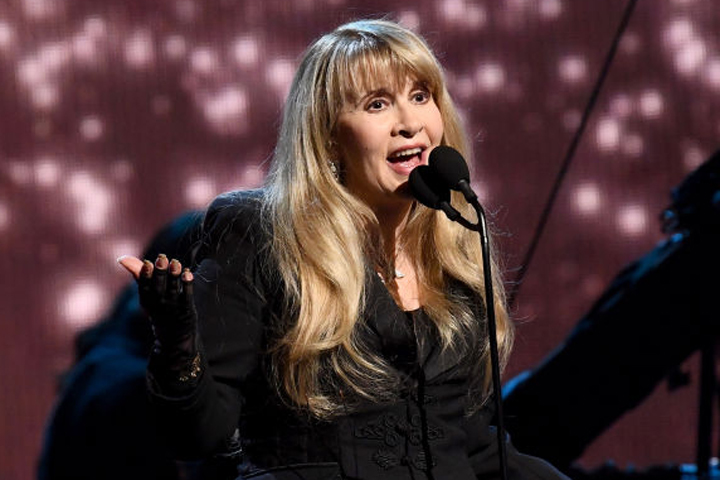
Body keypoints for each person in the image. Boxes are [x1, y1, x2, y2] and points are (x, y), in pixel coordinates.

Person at [119, 19, 569, 480]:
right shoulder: (262, 234)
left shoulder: (452, 249)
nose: (410, 123)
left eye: (420, 96)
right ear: (329, 135)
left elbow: (473, 447)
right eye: (377, 104)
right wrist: (177, 341)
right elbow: (199, 436)